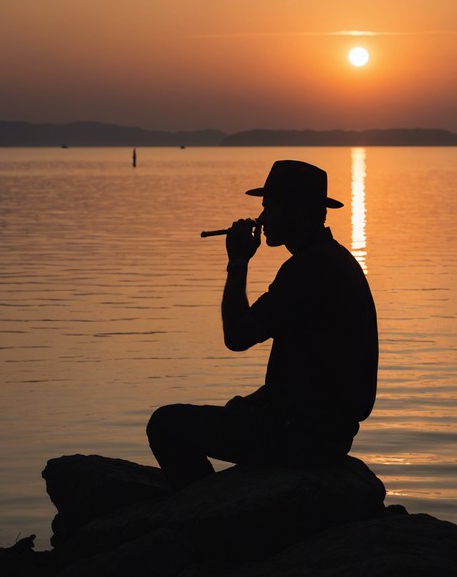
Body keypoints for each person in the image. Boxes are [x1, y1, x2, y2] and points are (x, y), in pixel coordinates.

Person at [146, 160, 378, 490]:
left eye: (269, 208)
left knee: (165, 425)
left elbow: (237, 336)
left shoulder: (307, 270)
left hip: (302, 436)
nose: (263, 218)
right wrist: (260, 397)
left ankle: (201, 511)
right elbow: (315, 367)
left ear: (296, 213)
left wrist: (238, 262)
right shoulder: (333, 259)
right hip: (325, 432)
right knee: (235, 410)